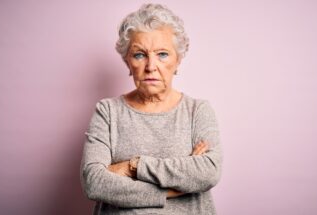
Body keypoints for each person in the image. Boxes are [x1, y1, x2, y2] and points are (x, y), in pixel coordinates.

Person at [80, 3, 223, 214]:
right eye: (140, 55)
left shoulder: (198, 111)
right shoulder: (108, 111)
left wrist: (134, 166)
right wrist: (174, 187)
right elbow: (94, 182)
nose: (150, 66)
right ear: (127, 62)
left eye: (162, 54)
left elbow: (208, 173)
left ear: (178, 60)